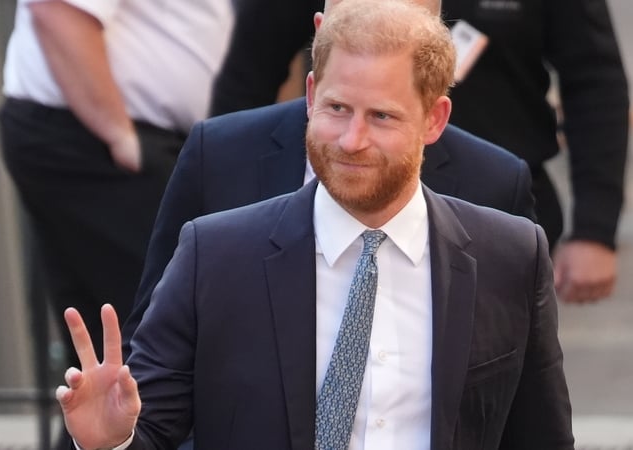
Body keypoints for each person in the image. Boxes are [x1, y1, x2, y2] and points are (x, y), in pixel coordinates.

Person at [57, 1, 574, 448]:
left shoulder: (509, 255)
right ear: (309, 96)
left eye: (382, 117)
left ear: (434, 120)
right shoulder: (214, 255)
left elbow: (542, 437)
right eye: (337, 108)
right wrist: (113, 440)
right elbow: (154, 430)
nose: (352, 139)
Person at [120, 0, 536, 358]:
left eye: (406, 32)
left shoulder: (494, 183)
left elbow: (514, 388)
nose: (378, 45)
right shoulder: (221, 155)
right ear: (321, 32)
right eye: (357, 24)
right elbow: (152, 351)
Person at [210, 0, 629, 305]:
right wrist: (235, 208)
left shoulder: (501, 189)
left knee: (489, 383)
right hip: (335, 198)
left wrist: (595, 227)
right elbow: (248, 74)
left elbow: (594, 78)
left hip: (497, 199)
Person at [0, 0, 233, 446]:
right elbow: (58, 10)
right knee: (155, 351)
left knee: (102, 378)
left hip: (103, 142)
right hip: (98, 143)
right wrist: (121, 137)